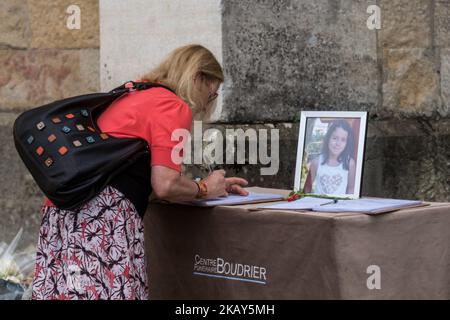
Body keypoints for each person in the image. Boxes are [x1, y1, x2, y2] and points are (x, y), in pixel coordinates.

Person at [31, 44, 249, 300]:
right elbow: (165, 184)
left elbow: (141, 180)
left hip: (66, 211)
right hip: (104, 220)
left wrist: (202, 188)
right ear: (197, 77)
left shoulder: (134, 93)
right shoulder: (173, 106)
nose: (208, 102)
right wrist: (204, 189)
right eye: (211, 94)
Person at [303, 120, 356, 195]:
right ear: (328, 138)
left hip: (339, 206)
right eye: (334, 138)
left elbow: (351, 188)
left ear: (347, 143)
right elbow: (307, 188)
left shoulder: (350, 163)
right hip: (318, 205)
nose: (338, 143)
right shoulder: (316, 162)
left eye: (343, 140)